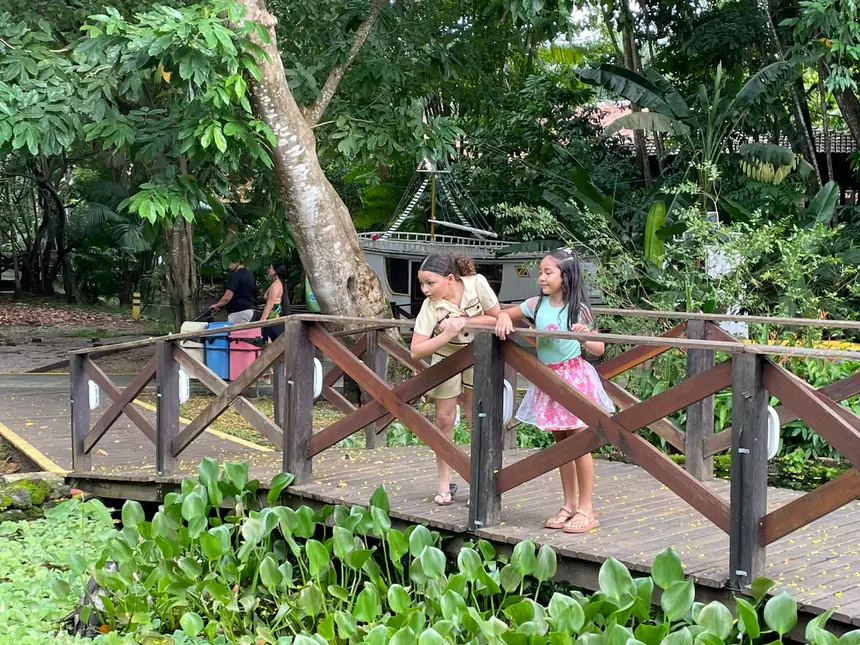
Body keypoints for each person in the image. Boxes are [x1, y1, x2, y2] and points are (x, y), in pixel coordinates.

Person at [494, 248, 614, 533]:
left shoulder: (577, 308)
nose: (542, 278)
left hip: (574, 377)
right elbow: (504, 313)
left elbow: (599, 348)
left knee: (579, 443)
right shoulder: (536, 304)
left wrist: (586, 337)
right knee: (561, 443)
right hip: (549, 379)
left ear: (565, 276)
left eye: (548, 272)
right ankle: (569, 504)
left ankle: (586, 508)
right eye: (541, 272)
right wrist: (502, 318)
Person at [410, 253, 502, 506]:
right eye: (422, 284)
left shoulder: (476, 283)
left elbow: (497, 316)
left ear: (450, 279)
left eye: (430, 283)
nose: (425, 290)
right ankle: (444, 482)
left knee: (477, 418)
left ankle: (478, 481)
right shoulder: (430, 306)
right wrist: (446, 334)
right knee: (444, 419)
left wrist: (465, 321)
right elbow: (416, 350)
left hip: (476, 354)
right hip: (446, 355)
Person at [260, 261, 291, 342]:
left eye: (270, 268)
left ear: (275, 271)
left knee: (269, 344)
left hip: (272, 317)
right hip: (275, 317)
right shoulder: (278, 284)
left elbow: (269, 305)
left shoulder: (276, 285)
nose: (269, 270)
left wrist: (261, 321)